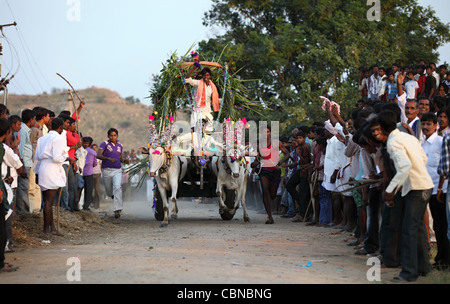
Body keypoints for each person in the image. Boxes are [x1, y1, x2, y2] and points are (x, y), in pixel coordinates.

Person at [379, 110, 434, 282]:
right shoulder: (409, 138)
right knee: (416, 228)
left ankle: (409, 272)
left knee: (408, 229)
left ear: (382, 130)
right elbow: (423, 159)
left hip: (417, 188)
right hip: (423, 185)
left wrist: (390, 189)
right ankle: (424, 267)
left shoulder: (393, 142)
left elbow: (404, 166)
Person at [34, 117, 74, 237]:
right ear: (60, 127)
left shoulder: (43, 138)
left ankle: (52, 227)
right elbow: (57, 157)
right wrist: (68, 158)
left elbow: (36, 157)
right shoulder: (58, 138)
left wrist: (36, 172)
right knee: (48, 201)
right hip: (51, 169)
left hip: (43, 168)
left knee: (48, 200)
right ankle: (47, 229)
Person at [421, 112, 449, 271]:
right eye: (423, 124)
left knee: (442, 225)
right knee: (438, 226)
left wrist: (440, 188)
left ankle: (445, 259)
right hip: (428, 189)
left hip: (441, 189)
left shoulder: (440, 141)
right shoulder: (423, 144)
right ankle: (440, 259)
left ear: (435, 125)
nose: (425, 127)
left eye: (428, 124)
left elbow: (444, 166)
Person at [251, 126, 289, 224]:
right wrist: (254, 163)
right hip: (264, 170)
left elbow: (287, 154)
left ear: (270, 133)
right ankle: (270, 216)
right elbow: (257, 158)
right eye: (264, 132)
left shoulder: (277, 143)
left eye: (267, 132)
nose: (265, 133)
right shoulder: (259, 145)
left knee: (273, 194)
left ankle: (271, 209)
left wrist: (281, 162)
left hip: (275, 171)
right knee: (265, 190)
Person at [0, 118, 19, 273]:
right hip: (1, 189)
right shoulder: (3, 148)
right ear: (7, 133)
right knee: (4, 220)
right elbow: (18, 165)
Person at [97, 128, 127, 219]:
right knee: (109, 192)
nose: (113, 137)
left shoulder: (120, 145)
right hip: (106, 170)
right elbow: (98, 155)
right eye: (111, 135)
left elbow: (119, 157)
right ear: (108, 136)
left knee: (117, 187)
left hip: (117, 170)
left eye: (114, 135)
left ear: (117, 136)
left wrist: (124, 160)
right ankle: (112, 196)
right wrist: (108, 159)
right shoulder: (104, 144)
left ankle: (117, 209)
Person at [285, 131, 311, 223]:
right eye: (298, 138)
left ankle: (304, 214)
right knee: (289, 186)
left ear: (304, 138)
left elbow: (306, 161)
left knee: (303, 193)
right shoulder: (299, 147)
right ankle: (301, 205)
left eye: (300, 138)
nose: (299, 140)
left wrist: (299, 154)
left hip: (304, 171)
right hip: (300, 170)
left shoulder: (305, 147)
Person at [185, 67, 221, 133]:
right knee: (195, 128)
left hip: (207, 110)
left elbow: (214, 98)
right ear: (202, 76)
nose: (206, 77)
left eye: (207, 75)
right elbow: (188, 79)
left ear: (210, 76)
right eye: (204, 75)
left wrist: (222, 101)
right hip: (197, 110)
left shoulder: (212, 86)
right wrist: (193, 68)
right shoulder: (198, 83)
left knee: (209, 127)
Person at [17, 109, 36, 213]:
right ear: (30, 120)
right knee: (23, 189)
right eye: (34, 119)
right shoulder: (23, 131)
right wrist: (22, 166)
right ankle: (22, 211)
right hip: (24, 164)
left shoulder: (25, 130)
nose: (35, 121)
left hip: (27, 163)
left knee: (24, 188)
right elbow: (20, 150)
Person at [82, 137, 97, 211]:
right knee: (89, 190)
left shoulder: (79, 150)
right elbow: (95, 164)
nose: (85, 144)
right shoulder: (93, 152)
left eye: (86, 143)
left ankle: (80, 204)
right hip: (89, 173)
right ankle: (86, 205)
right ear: (91, 144)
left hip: (81, 173)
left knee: (80, 189)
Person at [91, 144, 102, 209]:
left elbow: (101, 165)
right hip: (90, 173)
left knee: (97, 190)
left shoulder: (99, 156)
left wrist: (101, 172)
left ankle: (97, 204)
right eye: (93, 148)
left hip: (98, 173)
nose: (94, 149)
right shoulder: (89, 155)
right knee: (90, 189)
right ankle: (91, 202)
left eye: (95, 148)